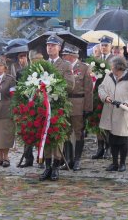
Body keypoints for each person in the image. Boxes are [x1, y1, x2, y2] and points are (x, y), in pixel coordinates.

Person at [39, 34, 75, 181]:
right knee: (45, 136)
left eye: (53, 45)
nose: (50, 47)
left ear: (59, 48)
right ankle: (47, 166)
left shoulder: (66, 65)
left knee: (56, 135)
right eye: (48, 45)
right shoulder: (42, 64)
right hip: (44, 105)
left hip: (58, 105)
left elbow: (70, 85)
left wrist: (53, 85)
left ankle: (55, 166)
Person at [99, 56, 128, 171]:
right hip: (110, 111)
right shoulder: (109, 76)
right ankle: (114, 163)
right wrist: (105, 97)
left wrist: (126, 104)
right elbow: (101, 88)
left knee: (123, 139)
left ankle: (122, 163)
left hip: (123, 113)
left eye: (113, 68)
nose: (111, 70)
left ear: (119, 68)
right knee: (112, 139)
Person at [61, 43, 93, 171]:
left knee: (78, 132)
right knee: (66, 133)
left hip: (79, 103)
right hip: (65, 104)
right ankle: (68, 159)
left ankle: (77, 160)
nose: (63, 57)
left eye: (65, 55)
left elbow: (89, 90)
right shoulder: (63, 67)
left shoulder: (84, 68)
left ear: (72, 56)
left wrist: (88, 108)